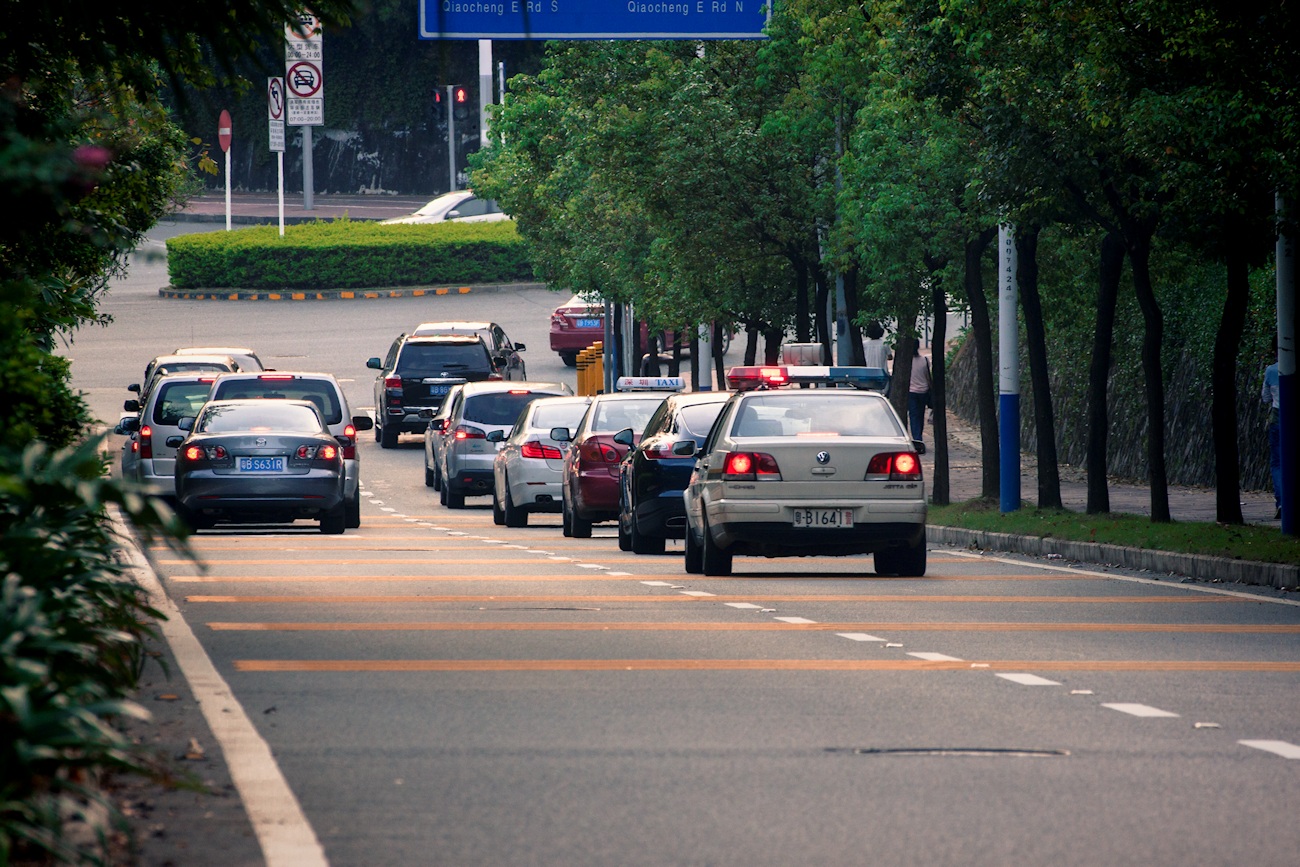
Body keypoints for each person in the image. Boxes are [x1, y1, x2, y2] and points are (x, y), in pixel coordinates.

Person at [1263, 344, 1282, 520]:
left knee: (1277, 463)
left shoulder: (1270, 370)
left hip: (1277, 418)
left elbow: (1265, 398)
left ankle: (1281, 502)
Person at [907, 344, 932, 452]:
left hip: (911, 391)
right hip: (923, 391)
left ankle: (917, 439)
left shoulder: (906, 362)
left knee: (913, 416)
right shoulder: (925, 360)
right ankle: (918, 437)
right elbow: (928, 377)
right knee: (920, 415)